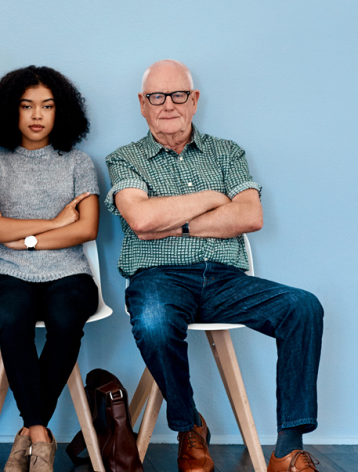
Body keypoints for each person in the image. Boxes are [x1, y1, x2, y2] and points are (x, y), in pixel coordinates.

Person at [105, 60, 323, 472]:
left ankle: (287, 449)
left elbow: (250, 217)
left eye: (178, 95)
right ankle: (190, 427)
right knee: (152, 321)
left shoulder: (228, 151)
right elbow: (142, 221)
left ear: (194, 100)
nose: (168, 105)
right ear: (142, 104)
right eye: (157, 96)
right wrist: (214, 197)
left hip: (225, 281)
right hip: (159, 280)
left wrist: (177, 222)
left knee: (303, 306)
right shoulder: (126, 159)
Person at [0, 66, 99, 472]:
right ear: (12, 111)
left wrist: (22, 237)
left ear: (62, 113)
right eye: (27, 106)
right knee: (13, 318)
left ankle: (31, 432)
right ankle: (41, 435)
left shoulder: (79, 163)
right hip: (6, 274)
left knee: (66, 318)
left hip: (69, 273)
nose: (37, 115)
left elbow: (87, 228)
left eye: (47, 106)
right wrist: (56, 222)